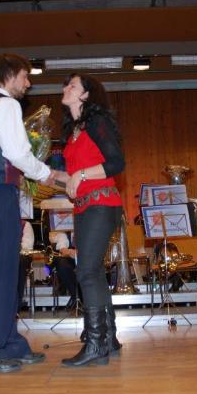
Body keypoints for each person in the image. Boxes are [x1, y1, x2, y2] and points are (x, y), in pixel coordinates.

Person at [0, 53, 53, 374]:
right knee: (2, 275)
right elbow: (17, 153)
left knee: (1, 273)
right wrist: (47, 174)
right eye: (25, 77)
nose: (28, 84)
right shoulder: (7, 105)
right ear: (11, 75)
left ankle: (9, 343)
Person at [53, 73, 125, 367]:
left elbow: (116, 163)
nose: (65, 88)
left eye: (72, 85)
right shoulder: (72, 132)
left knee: (86, 272)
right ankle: (108, 339)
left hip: (101, 204)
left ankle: (96, 344)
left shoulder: (97, 122)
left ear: (85, 95)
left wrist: (80, 175)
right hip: (84, 207)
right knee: (92, 272)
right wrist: (43, 175)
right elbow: (72, 177)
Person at [49, 231, 80, 310]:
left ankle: (79, 295)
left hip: (86, 258)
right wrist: (70, 252)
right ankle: (75, 296)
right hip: (70, 258)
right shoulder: (63, 232)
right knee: (62, 264)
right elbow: (62, 249)